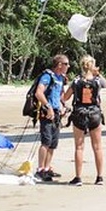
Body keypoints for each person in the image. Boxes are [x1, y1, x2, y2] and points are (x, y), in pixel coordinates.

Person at [63, 55, 106, 186]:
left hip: (79, 113)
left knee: (79, 147)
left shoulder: (76, 81)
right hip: (94, 113)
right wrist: (98, 74)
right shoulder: (98, 80)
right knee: (97, 147)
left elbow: (65, 97)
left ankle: (78, 177)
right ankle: (99, 177)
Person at [34, 54, 70, 182]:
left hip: (56, 113)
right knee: (46, 141)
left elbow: (61, 96)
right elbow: (39, 93)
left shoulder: (61, 78)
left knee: (53, 143)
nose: (68, 66)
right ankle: (40, 169)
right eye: (66, 64)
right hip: (47, 113)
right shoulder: (47, 76)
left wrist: (63, 106)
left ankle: (47, 168)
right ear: (59, 65)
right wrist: (48, 107)